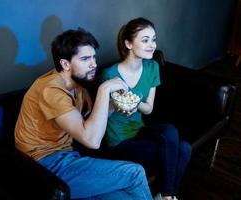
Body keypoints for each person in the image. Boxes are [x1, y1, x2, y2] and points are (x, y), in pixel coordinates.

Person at [14, 28, 153, 200]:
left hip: (68, 157)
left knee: (123, 196)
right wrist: (104, 89)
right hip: (43, 165)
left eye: (93, 57)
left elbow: (88, 124)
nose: (94, 64)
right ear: (65, 64)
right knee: (134, 173)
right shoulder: (51, 90)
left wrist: (114, 106)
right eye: (85, 59)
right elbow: (92, 140)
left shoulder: (78, 87)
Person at [100, 18, 191, 200]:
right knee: (176, 150)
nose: (152, 45)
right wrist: (117, 103)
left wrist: (135, 102)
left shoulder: (152, 67)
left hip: (139, 130)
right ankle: (168, 196)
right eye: (145, 40)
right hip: (119, 141)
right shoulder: (110, 74)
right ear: (128, 44)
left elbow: (148, 109)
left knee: (180, 142)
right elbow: (103, 114)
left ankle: (166, 194)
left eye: (153, 39)